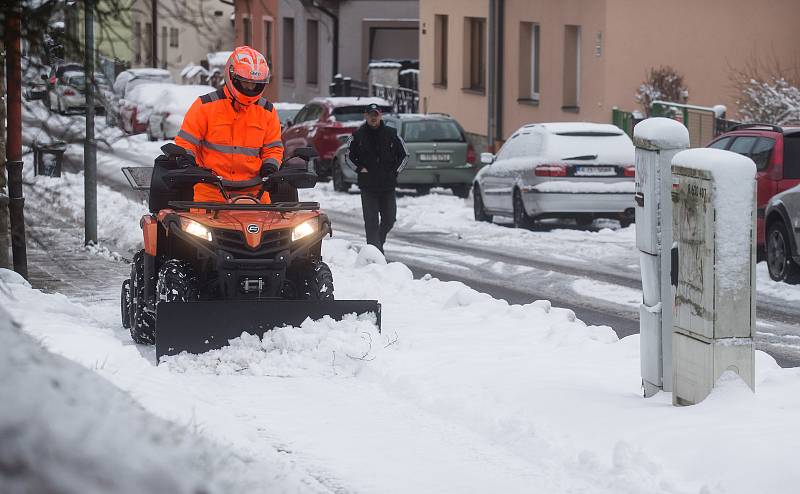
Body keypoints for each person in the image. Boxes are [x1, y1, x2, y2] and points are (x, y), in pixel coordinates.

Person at [174, 46, 283, 203]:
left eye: (255, 84)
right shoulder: (205, 106)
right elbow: (186, 142)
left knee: (276, 227)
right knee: (193, 227)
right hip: (210, 190)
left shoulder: (267, 111)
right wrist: (186, 161)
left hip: (255, 192)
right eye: (246, 83)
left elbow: (273, 148)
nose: (250, 88)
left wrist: (270, 166)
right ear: (232, 76)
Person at [348, 103, 408, 253]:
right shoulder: (357, 136)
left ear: (380, 116)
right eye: (370, 115)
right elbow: (348, 156)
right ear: (366, 116)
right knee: (371, 222)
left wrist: (395, 172)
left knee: (389, 219)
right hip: (368, 186)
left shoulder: (392, 134)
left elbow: (404, 155)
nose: (373, 118)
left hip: (388, 186)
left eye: (376, 115)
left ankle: (378, 242)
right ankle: (375, 253)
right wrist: (359, 168)